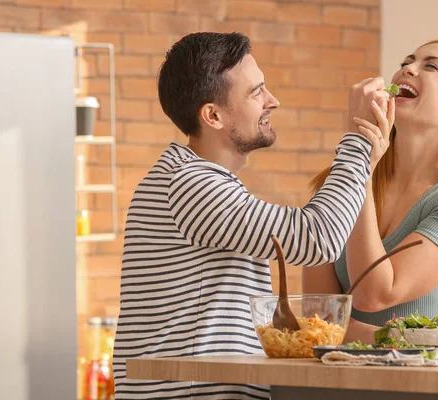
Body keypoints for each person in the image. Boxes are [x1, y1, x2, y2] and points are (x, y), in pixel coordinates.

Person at [112, 32, 392, 400]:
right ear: (212, 115)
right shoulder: (189, 184)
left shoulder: (195, 181)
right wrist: (357, 140)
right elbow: (318, 239)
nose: (272, 100)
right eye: (256, 92)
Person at [303, 36, 438, 343]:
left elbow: (375, 294)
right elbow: (315, 317)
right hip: (328, 381)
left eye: (430, 66)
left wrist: (360, 172)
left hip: (413, 384)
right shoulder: (338, 181)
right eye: (406, 62)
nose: (408, 69)